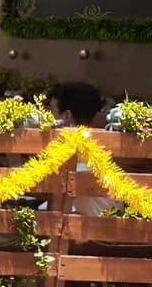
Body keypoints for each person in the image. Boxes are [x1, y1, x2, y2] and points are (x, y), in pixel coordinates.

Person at [48, 81, 117, 216]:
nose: (46, 116)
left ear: (66, 116)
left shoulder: (76, 155)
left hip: (88, 225)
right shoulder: (101, 145)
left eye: (51, 111)